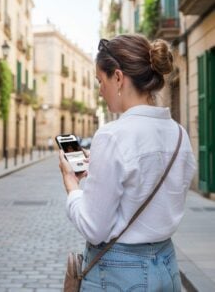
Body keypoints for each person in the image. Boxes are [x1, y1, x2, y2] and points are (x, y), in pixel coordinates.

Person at [58, 34, 196, 291]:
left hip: (119, 274)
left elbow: (93, 228)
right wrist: (101, 166)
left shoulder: (112, 135)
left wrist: (71, 186)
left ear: (118, 77)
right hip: (167, 266)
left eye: (101, 81)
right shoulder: (180, 135)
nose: (100, 90)